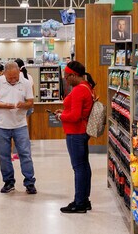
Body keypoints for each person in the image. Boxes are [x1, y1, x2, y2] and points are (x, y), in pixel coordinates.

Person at [0, 61, 37, 195]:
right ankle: (8, 182)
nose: (14, 80)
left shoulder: (25, 82)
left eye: (16, 77)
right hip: (1, 125)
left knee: (25, 154)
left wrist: (24, 104)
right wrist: (3, 105)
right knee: (4, 156)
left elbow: (31, 102)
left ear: (19, 73)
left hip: (20, 125)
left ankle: (29, 182)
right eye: (10, 78)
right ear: (4, 74)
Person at [54, 60, 97, 214]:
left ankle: (79, 203)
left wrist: (61, 116)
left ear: (73, 75)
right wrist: (64, 111)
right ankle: (84, 200)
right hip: (82, 131)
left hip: (76, 132)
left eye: (66, 76)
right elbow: (77, 110)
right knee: (84, 167)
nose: (65, 79)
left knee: (78, 168)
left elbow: (74, 116)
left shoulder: (79, 89)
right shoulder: (87, 87)